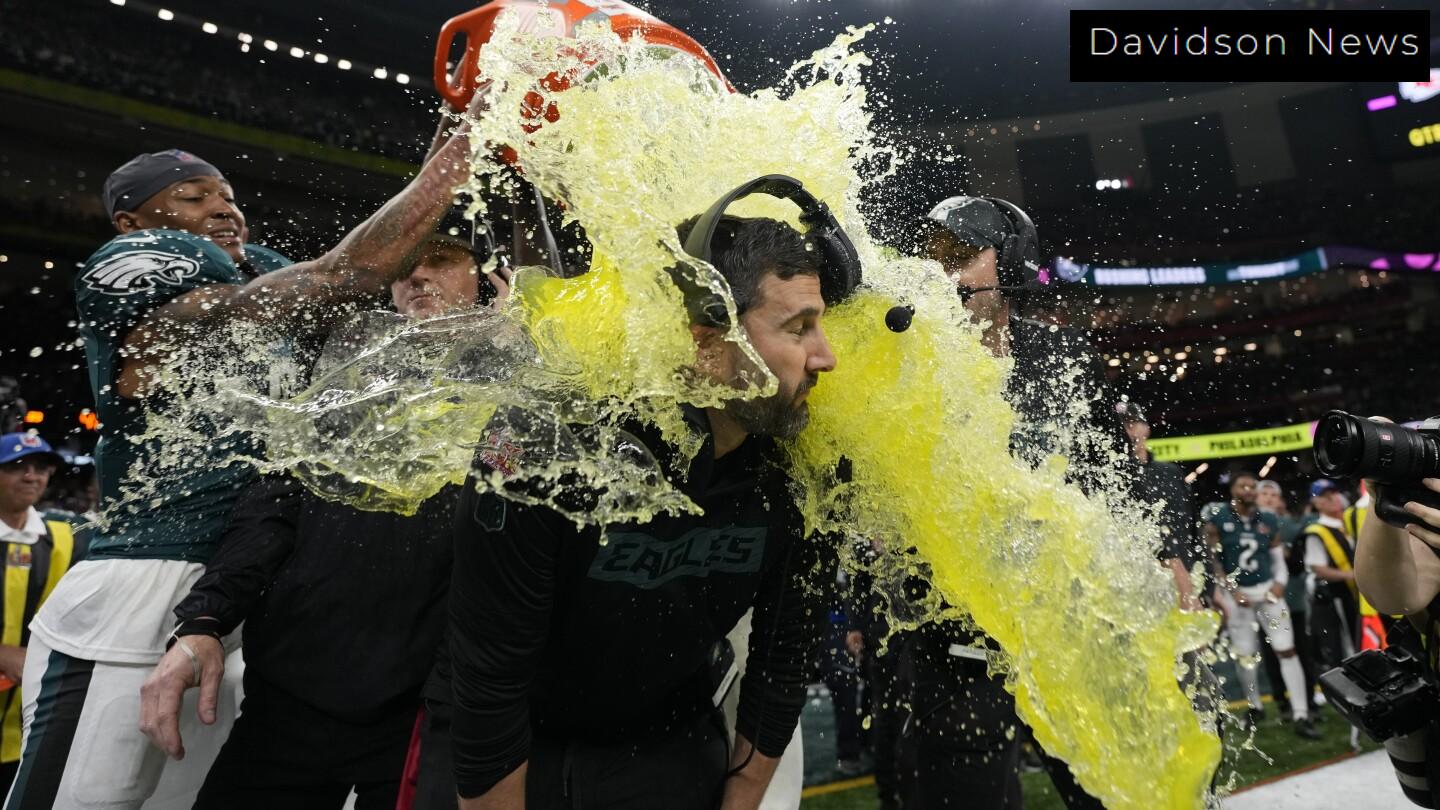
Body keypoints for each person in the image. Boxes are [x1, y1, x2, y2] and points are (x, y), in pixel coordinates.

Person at [7, 106, 483, 810]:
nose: (222, 208)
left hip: (242, 592)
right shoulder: (136, 274)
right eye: (192, 197)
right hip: (148, 576)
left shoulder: (264, 281)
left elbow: (382, 288)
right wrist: (464, 147)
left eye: (228, 196)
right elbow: (347, 272)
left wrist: (457, 124)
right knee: (84, 800)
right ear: (133, 224)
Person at [447, 210, 840, 810]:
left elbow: (785, 650)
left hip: (668, 735)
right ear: (707, 347)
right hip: (523, 741)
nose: (826, 357)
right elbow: (490, 677)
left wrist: (742, 797)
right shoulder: (553, 443)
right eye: (799, 329)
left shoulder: (801, 463)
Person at [135, 223, 507, 809]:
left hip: (427, 711)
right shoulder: (338, 381)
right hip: (291, 697)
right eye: (403, 267)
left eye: (440, 260)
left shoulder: (521, 386)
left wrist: (513, 339)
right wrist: (204, 620)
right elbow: (268, 513)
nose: (416, 275)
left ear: (485, 281)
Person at [901, 196, 1104, 810]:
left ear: (1011, 264)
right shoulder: (909, 364)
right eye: (936, 261)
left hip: (1066, 634)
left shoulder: (1064, 357)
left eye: (961, 258)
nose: (945, 276)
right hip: (957, 646)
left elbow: (1110, 479)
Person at [0, 434, 87, 791]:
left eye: (41, 467)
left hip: (32, 721)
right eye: (17, 466)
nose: (31, 476)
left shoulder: (69, 535)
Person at [1204, 471, 1320, 739]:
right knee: (1246, 654)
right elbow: (1213, 560)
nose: (1248, 490)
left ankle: (1301, 713)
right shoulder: (1218, 517)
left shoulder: (1268, 519)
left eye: (1251, 486)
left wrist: (1279, 584)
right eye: (1242, 486)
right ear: (1232, 489)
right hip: (1238, 595)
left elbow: (1278, 559)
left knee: (1286, 649)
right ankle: (1254, 705)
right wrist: (1231, 589)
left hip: (1267, 591)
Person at [1255, 480, 1320, 722]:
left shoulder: (1291, 526)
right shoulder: (1247, 525)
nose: (1268, 498)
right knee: (1272, 655)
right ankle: (1282, 704)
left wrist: (1288, 554)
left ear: (1280, 500)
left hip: (1293, 599)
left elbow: (1301, 563)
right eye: (1264, 493)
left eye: (1273, 494)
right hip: (1263, 601)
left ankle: (1309, 704)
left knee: (1301, 652)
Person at [1302, 479, 1361, 675]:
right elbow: (1318, 568)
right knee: (1346, 644)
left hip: (1356, 595)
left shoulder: (1350, 522)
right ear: (1316, 503)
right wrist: (1354, 575)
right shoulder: (1316, 531)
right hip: (1336, 597)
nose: (1332, 499)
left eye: (1334, 494)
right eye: (1325, 497)